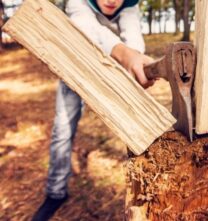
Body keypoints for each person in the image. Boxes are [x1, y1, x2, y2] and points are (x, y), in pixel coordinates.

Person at [32, 0, 153, 220]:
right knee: (62, 130)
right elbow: (87, 31)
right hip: (75, 69)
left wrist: (135, 63)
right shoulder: (76, 3)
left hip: (113, 73)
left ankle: (147, 192)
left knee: (138, 129)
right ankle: (55, 192)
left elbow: (134, 38)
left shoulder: (129, 7)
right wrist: (124, 54)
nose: (111, 0)